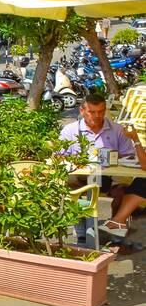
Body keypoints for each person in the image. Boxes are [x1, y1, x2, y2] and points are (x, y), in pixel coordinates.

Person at [59, 92, 146, 239]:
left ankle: (115, 228)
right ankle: (83, 226)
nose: (97, 116)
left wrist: (114, 156)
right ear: (82, 111)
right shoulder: (70, 130)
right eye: (92, 112)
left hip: (108, 177)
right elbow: (59, 156)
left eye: (100, 111)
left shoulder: (116, 129)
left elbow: (128, 156)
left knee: (122, 189)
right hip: (80, 177)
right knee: (78, 185)